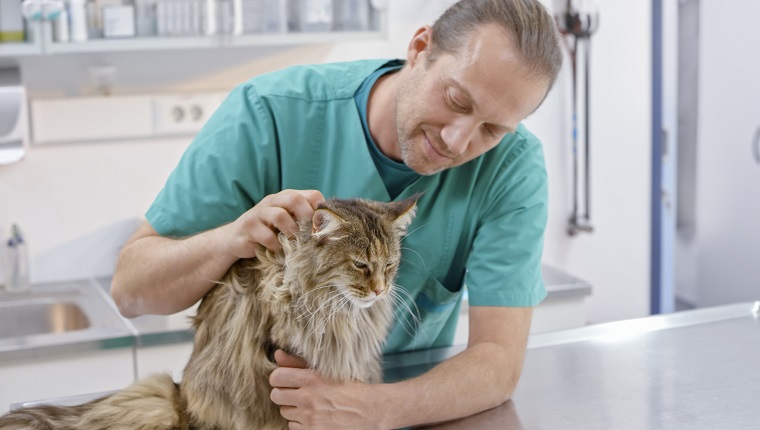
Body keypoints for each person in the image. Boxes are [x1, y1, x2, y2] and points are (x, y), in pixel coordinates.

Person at [111, 0, 563, 427]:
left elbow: (498, 363)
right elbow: (132, 292)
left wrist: (373, 411)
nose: (458, 140)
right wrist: (230, 239)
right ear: (420, 49)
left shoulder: (512, 168)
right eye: (457, 101)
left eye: (492, 129)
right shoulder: (269, 113)